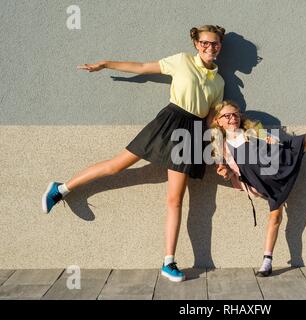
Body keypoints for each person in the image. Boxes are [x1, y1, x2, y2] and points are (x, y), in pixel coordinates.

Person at [42, 25, 226, 282]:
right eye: (205, 42)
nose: (210, 47)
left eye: (215, 43)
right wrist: (105, 64)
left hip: (192, 133)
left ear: (220, 46)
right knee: (117, 165)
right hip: (169, 121)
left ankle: (168, 262)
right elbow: (141, 68)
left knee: (176, 199)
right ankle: (61, 189)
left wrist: (216, 153)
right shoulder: (181, 61)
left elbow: (210, 121)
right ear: (196, 44)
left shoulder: (219, 82)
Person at [212, 90, 306, 276]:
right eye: (226, 116)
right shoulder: (221, 147)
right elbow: (229, 172)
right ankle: (267, 261)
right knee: (275, 218)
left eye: (235, 114)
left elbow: (272, 141)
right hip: (266, 185)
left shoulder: (252, 131)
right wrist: (226, 173)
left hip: (281, 163)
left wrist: (271, 140)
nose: (232, 118)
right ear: (218, 121)